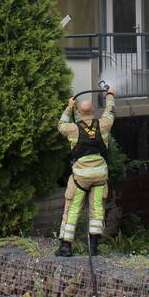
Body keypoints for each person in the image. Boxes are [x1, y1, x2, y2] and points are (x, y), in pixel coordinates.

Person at [55, 86, 115, 257]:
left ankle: (66, 247)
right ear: (94, 112)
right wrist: (110, 94)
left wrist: (69, 106)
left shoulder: (72, 129)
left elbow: (61, 125)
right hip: (99, 177)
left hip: (80, 178)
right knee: (97, 210)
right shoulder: (104, 125)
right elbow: (110, 110)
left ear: (80, 114)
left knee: (72, 208)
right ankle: (93, 247)